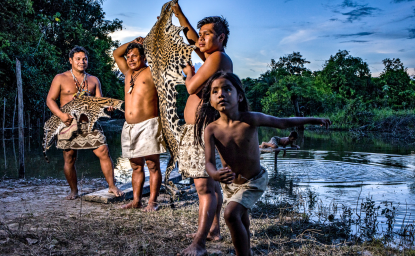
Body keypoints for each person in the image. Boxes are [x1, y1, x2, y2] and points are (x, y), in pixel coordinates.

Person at [195, 71, 331, 256]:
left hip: (254, 180)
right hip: (231, 184)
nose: (221, 94)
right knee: (241, 217)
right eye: (215, 91)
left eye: (227, 89)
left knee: (230, 214)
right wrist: (215, 174)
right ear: (210, 100)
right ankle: (245, 249)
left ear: (239, 96)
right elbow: (209, 163)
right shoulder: (211, 129)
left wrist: (315, 119)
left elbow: (284, 122)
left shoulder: (251, 119)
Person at [172, 2, 233, 255]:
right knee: (211, 184)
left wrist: (188, 72)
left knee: (203, 187)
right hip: (200, 128)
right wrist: (178, 14)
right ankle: (213, 230)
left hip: (203, 129)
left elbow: (191, 87)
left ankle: (199, 243)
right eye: (201, 34)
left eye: (207, 34)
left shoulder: (217, 57)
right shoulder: (212, 57)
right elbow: (194, 38)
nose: (201, 39)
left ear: (220, 37)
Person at [46, 46, 123, 200]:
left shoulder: (94, 80)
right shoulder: (60, 78)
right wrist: (61, 115)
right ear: (70, 60)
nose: (82, 62)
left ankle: (112, 186)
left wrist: (108, 108)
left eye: (85, 59)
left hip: (89, 123)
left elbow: (100, 103)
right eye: (78, 59)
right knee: (69, 157)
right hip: (67, 124)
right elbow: (50, 100)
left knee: (103, 151)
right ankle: (74, 191)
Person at [113, 38, 167, 211]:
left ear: (144, 57)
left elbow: (162, 56)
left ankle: (152, 202)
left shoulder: (152, 72)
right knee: (136, 166)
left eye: (135, 56)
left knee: (152, 165)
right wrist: (133, 42)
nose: (130, 59)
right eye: (128, 56)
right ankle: (136, 201)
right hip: (129, 127)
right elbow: (116, 53)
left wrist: (147, 43)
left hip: (149, 124)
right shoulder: (128, 72)